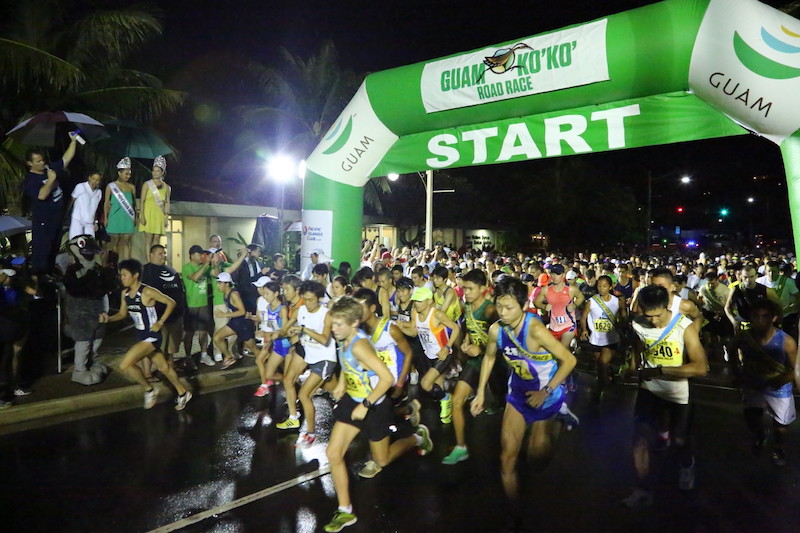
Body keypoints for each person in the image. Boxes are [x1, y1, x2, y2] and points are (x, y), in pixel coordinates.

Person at [470, 276, 578, 528]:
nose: (503, 313)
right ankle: (515, 515)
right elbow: (489, 358)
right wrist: (481, 392)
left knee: (537, 458)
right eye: (499, 306)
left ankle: (560, 417)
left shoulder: (536, 330)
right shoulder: (496, 330)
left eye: (509, 308)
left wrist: (546, 391)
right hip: (518, 396)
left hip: (546, 397)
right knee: (507, 458)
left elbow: (569, 360)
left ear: (523, 305)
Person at [324, 296, 432, 533]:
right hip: (353, 400)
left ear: (354, 323)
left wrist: (366, 404)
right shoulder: (344, 338)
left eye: (338, 324)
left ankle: (417, 438)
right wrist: (341, 383)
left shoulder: (360, 345)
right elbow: (350, 366)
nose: (334, 329)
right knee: (333, 453)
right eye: (333, 324)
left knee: (382, 460)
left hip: (374, 405)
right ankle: (345, 511)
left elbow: (387, 379)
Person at [623, 285, 707, 509]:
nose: (654, 321)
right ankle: (642, 489)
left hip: (678, 393)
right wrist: (632, 366)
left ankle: (686, 464)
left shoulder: (684, 326)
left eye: (658, 316)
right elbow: (639, 344)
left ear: (667, 306)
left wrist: (660, 370)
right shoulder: (638, 323)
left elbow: (701, 367)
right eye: (649, 316)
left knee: (679, 442)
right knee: (639, 439)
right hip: (649, 389)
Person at [99, 259, 191, 410]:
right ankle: (183, 393)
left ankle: (149, 390)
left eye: (124, 275)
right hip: (141, 336)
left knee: (125, 365)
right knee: (164, 368)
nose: (122, 278)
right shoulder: (125, 294)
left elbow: (171, 302)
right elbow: (122, 314)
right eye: (121, 275)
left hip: (152, 336)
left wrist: (160, 322)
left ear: (135, 275)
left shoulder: (147, 291)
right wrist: (108, 319)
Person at [444, 268, 500, 465]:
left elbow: (503, 338)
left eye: (470, 289)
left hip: (498, 364)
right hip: (476, 363)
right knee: (457, 400)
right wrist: (467, 342)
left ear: (483, 289)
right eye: (464, 288)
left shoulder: (490, 310)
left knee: (506, 405)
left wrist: (482, 348)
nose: (465, 292)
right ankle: (461, 447)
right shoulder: (466, 306)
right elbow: (468, 327)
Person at [734, 299, 798, 467]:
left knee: (781, 425)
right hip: (753, 385)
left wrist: (781, 380)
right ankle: (761, 434)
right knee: (751, 417)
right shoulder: (744, 337)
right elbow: (732, 349)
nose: (759, 320)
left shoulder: (786, 342)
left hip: (778, 389)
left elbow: (796, 369)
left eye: (764, 316)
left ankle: (778, 447)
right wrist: (736, 373)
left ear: (773, 318)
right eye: (755, 316)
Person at [277, 280, 338, 447]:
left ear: (319, 298)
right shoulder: (300, 310)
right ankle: (293, 418)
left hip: (324, 358)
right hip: (307, 352)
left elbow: (325, 340)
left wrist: (303, 330)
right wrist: (285, 333)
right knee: (288, 380)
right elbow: (287, 330)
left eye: (311, 299)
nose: (308, 303)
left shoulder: (326, 314)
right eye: (305, 299)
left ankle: (311, 433)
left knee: (304, 395)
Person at [395, 286, 460, 424]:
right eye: (415, 301)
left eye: (420, 301)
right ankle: (446, 412)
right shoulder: (415, 313)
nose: (416, 304)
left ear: (429, 301)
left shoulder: (437, 314)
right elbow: (414, 332)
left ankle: (446, 399)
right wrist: (402, 328)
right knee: (437, 384)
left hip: (442, 354)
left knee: (425, 383)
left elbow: (455, 328)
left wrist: (447, 347)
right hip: (429, 354)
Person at [23, 133, 79, 275]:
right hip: (44, 221)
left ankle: (50, 273)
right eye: (38, 161)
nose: (42, 163)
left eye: (43, 160)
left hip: (57, 218)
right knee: (43, 250)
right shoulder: (30, 180)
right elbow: (41, 195)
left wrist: (73, 142)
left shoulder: (48, 169)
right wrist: (51, 180)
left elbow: (65, 159)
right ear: (30, 163)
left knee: (54, 247)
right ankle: (39, 277)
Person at [580, 275, 626, 401]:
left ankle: (601, 390)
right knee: (601, 365)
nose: (601, 288)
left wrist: (623, 323)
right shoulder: (591, 301)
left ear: (610, 287)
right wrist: (584, 330)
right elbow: (583, 318)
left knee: (602, 363)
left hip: (611, 339)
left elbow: (623, 316)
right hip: (596, 339)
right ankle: (610, 375)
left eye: (604, 286)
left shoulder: (617, 301)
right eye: (599, 286)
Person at [142, 244, 185, 370]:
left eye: (164, 253)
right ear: (151, 255)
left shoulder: (171, 270)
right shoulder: (145, 271)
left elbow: (180, 290)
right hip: (157, 316)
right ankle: (148, 372)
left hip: (175, 315)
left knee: (172, 345)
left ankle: (170, 365)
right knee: (154, 346)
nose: (163, 256)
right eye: (160, 253)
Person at [251, 279, 290, 396]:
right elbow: (271, 327)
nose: (265, 296)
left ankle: (290, 382)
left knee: (264, 365)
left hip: (284, 344)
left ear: (276, 294)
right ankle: (290, 381)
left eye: (267, 294)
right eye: (264, 294)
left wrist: (273, 336)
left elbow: (284, 330)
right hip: (274, 343)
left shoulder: (282, 309)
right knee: (268, 373)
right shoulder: (268, 307)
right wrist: (265, 335)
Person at [213, 272, 259, 370]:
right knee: (217, 337)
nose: (218, 286)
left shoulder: (234, 294)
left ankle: (268, 365)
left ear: (226, 284)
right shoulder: (226, 294)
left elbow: (242, 311)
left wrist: (223, 315)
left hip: (243, 324)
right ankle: (229, 358)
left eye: (219, 283)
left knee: (254, 349)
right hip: (235, 323)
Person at [182, 245, 213, 367]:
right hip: (192, 305)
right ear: (192, 255)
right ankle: (188, 357)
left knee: (203, 331)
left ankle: (204, 355)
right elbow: (195, 277)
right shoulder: (187, 267)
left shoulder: (204, 266)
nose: (202, 257)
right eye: (199, 254)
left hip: (204, 303)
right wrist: (206, 264)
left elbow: (215, 274)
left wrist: (215, 263)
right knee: (189, 332)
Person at [103, 157, 137, 264]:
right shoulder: (110, 186)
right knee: (115, 242)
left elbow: (134, 204)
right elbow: (106, 203)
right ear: (119, 173)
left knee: (127, 242)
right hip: (114, 217)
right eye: (126, 174)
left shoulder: (132, 187)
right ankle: (114, 265)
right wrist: (106, 217)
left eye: (129, 174)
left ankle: (128, 265)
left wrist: (136, 216)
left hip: (127, 217)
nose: (128, 176)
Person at [139, 155, 171, 256]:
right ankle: (149, 261)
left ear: (162, 172)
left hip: (159, 214)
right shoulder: (147, 184)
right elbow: (142, 201)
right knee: (148, 239)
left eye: (157, 171)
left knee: (157, 239)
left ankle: (156, 260)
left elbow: (167, 202)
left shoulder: (167, 187)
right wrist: (142, 216)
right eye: (153, 170)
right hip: (148, 213)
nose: (155, 173)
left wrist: (166, 217)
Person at [68, 171, 102, 239]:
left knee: (90, 242)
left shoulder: (99, 192)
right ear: (89, 178)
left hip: (89, 222)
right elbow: (72, 200)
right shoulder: (81, 186)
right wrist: (66, 214)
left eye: (97, 180)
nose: (94, 182)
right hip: (77, 219)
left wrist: (95, 222)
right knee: (76, 241)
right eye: (93, 179)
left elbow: (95, 208)